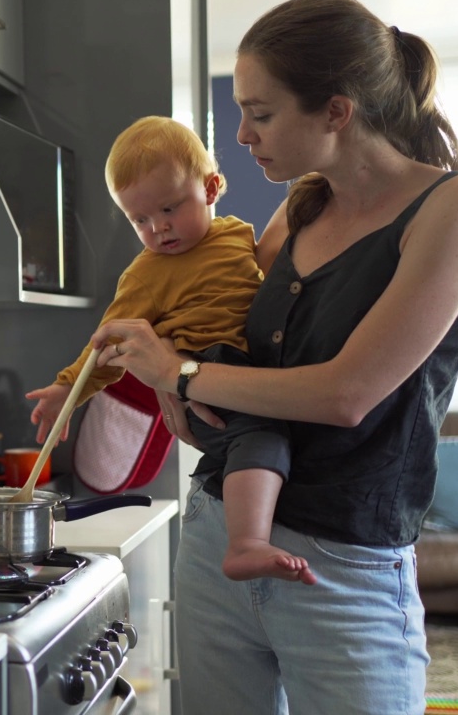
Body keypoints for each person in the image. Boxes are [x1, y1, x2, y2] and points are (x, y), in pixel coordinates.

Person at [89, 0, 458, 713]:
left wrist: (179, 372)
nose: (243, 135)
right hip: (219, 533)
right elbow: (235, 372)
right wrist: (169, 388)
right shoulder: (299, 207)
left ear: (337, 111)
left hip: (344, 564)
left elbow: (347, 395)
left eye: (261, 112)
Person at [25, 115, 314, 585]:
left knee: (270, 434)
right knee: (262, 439)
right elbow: (107, 341)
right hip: (205, 369)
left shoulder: (238, 235)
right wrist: (66, 392)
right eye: (139, 219)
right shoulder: (146, 273)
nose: (158, 228)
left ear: (211, 188)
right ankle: (245, 544)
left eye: (169, 209)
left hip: (245, 366)